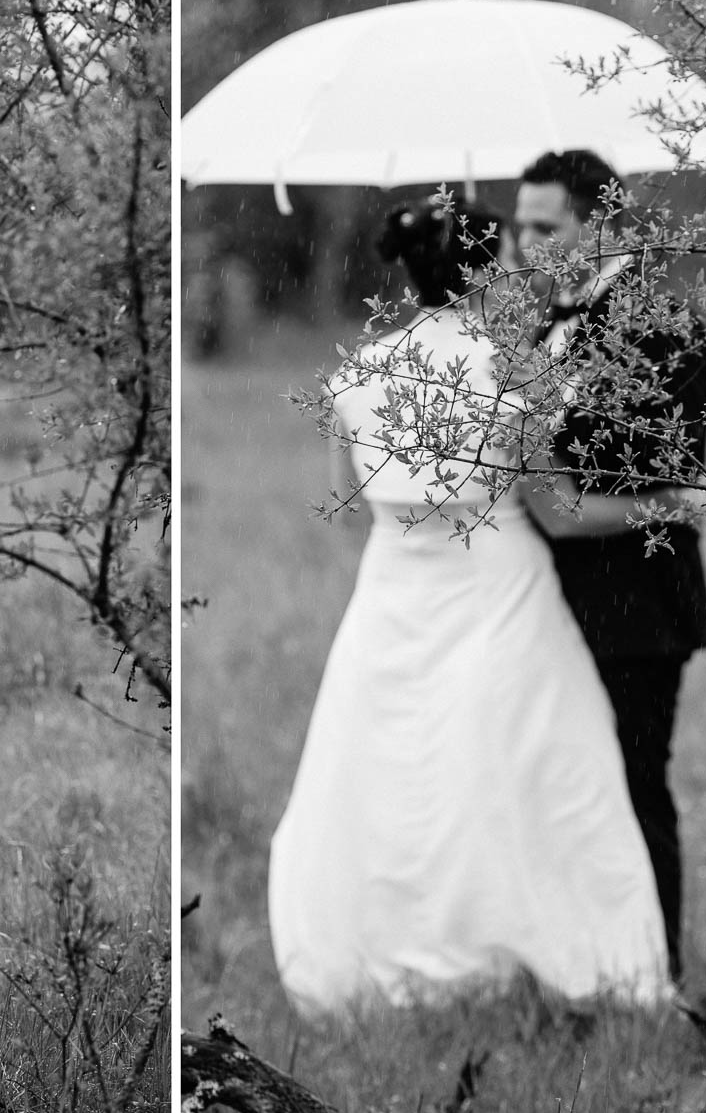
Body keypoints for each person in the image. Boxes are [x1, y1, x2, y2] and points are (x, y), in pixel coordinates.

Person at [267, 195, 671, 1017]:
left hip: (391, 596)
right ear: (492, 268)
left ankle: (391, 957)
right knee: (523, 772)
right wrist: (665, 504)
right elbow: (560, 513)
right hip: (501, 591)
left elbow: (348, 512)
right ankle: (530, 950)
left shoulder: (359, 373)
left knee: (392, 777)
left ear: (407, 271)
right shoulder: (513, 371)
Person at [513, 149, 706, 982]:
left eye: (544, 225)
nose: (524, 243)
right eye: (518, 225)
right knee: (569, 790)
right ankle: (587, 962)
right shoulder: (550, 323)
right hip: (557, 601)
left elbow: (661, 474)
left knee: (634, 788)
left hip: (635, 603)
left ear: (598, 223)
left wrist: (545, 451)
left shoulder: (656, 321)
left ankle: (658, 976)